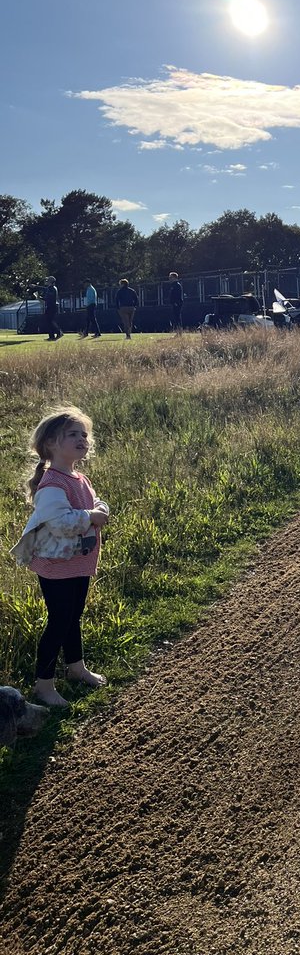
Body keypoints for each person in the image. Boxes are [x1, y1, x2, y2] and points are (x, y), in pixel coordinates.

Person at [11, 408, 111, 707]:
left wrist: (99, 509)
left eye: (84, 434)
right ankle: (43, 685)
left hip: (78, 561)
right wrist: (93, 515)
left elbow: (92, 504)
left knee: (73, 616)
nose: (82, 439)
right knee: (59, 621)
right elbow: (60, 523)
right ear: (51, 443)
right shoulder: (52, 484)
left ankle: (76, 667)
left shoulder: (79, 477)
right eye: (73, 434)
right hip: (56, 567)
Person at [39, 276, 62, 341]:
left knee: (50, 321)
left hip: (52, 306)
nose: (47, 282)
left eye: (48, 281)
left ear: (51, 282)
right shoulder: (51, 288)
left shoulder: (52, 289)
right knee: (49, 321)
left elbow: (49, 298)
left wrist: (41, 298)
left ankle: (58, 332)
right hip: (51, 306)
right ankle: (52, 335)